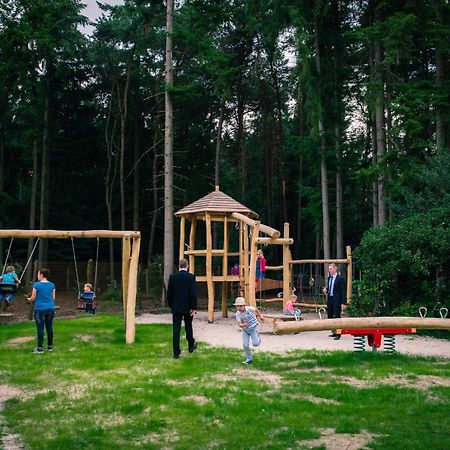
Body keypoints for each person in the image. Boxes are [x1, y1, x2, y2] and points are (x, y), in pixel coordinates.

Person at [167, 258, 198, 359]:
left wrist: (171, 305)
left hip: (176, 307)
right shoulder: (191, 277)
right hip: (188, 307)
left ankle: (176, 352)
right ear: (187, 266)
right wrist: (193, 307)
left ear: (179, 266)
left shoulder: (172, 277)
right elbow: (193, 293)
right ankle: (191, 345)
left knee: (176, 330)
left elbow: (169, 293)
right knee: (188, 327)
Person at [26, 268, 56, 353]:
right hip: (50, 308)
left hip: (39, 309)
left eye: (38, 274)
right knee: (49, 327)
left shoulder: (36, 285)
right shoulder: (52, 285)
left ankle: (40, 349)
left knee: (40, 328)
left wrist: (28, 299)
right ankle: (50, 347)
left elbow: (33, 298)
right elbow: (53, 298)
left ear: (42, 275)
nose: (37, 276)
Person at [234, 296, 263, 365]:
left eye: (240, 306)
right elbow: (239, 324)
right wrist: (243, 325)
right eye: (237, 306)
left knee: (255, 344)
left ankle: (258, 338)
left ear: (244, 305)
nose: (239, 308)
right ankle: (249, 358)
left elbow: (255, 310)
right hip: (245, 330)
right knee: (245, 344)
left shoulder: (249, 309)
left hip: (253, 328)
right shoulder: (238, 314)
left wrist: (260, 316)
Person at [322, 263, 346, 340]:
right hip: (330, 299)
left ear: (335, 269)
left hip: (337, 300)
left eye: (331, 269)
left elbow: (343, 291)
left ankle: (338, 334)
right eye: (329, 269)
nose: (329, 270)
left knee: (337, 316)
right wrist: (326, 290)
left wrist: (343, 302)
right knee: (330, 315)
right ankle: (333, 332)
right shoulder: (329, 278)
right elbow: (330, 288)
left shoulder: (340, 279)